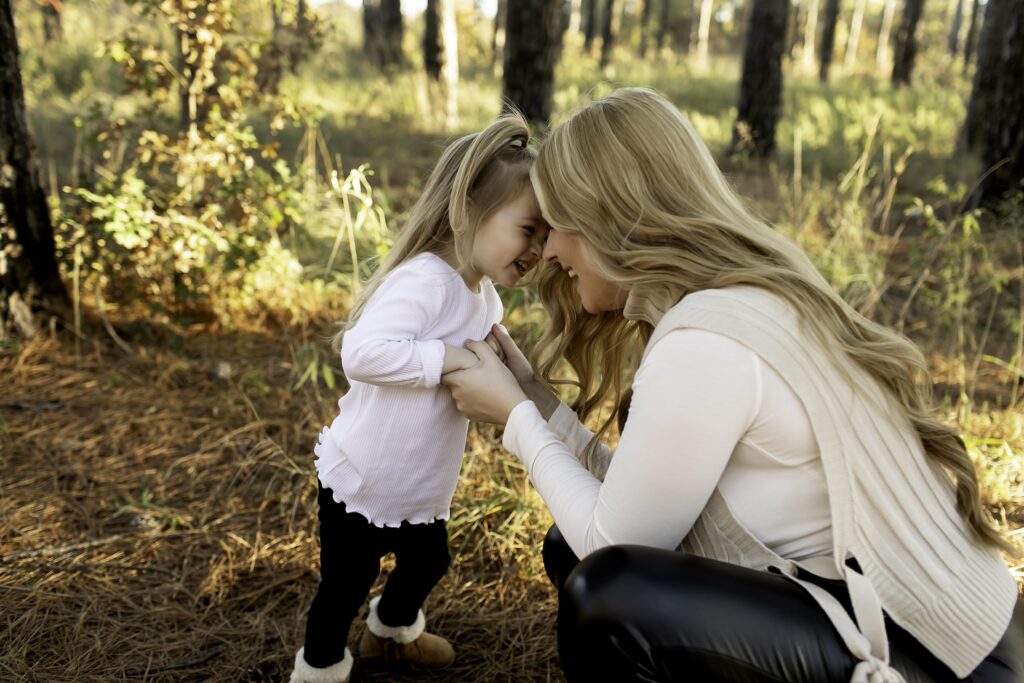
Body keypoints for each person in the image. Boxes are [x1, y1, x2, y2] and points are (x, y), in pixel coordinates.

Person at [442, 87, 1023, 682]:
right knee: (572, 547)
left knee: (608, 597)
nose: (550, 250)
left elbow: (610, 540)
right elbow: (639, 503)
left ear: (611, 218)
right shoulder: (738, 301)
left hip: (940, 658)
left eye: (559, 224)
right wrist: (534, 399)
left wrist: (517, 420)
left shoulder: (706, 344)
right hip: (923, 626)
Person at [289, 113, 549, 683]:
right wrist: (447, 360)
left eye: (547, 235)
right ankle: (321, 667)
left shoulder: (483, 297)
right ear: (470, 212)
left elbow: (481, 368)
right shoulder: (425, 280)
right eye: (529, 229)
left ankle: (390, 634)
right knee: (345, 584)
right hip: (364, 478)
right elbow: (362, 353)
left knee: (430, 560)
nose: (539, 248)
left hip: (418, 483)